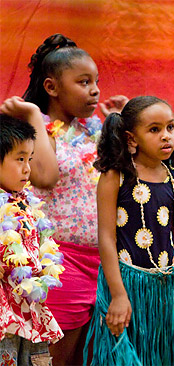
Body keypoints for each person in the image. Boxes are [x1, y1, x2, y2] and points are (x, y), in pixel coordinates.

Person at [18, 33, 126, 365]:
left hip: (105, 260)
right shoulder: (32, 128)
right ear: (52, 87)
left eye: (95, 81)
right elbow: (46, 176)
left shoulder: (93, 127)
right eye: (83, 82)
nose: (94, 89)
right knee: (54, 359)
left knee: (92, 357)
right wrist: (34, 116)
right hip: (61, 263)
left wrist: (120, 124)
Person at [85, 95, 174, 365]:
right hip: (127, 285)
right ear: (131, 139)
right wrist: (117, 295)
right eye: (154, 129)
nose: (166, 136)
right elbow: (106, 238)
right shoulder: (115, 177)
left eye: (170, 128)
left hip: (168, 289)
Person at [0, 108, 65, 365]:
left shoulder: (28, 202)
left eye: (30, 159)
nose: (28, 169)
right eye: (19, 159)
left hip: (30, 307)